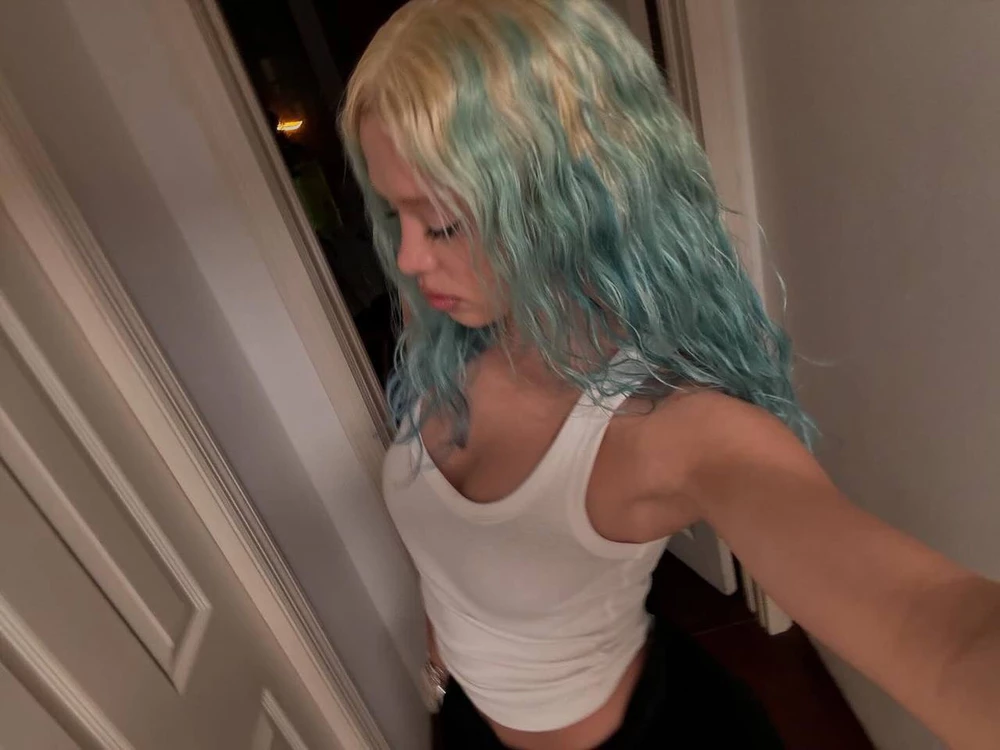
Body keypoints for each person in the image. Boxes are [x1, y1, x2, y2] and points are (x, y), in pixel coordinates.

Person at [339, 1, 1000, 747]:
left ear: (567, 198)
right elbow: (447, 559)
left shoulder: (670, 426)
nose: (409, 258)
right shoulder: (452, 334)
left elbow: (936, 631)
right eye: (395, 215)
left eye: (442, 222)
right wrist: (440, 672)